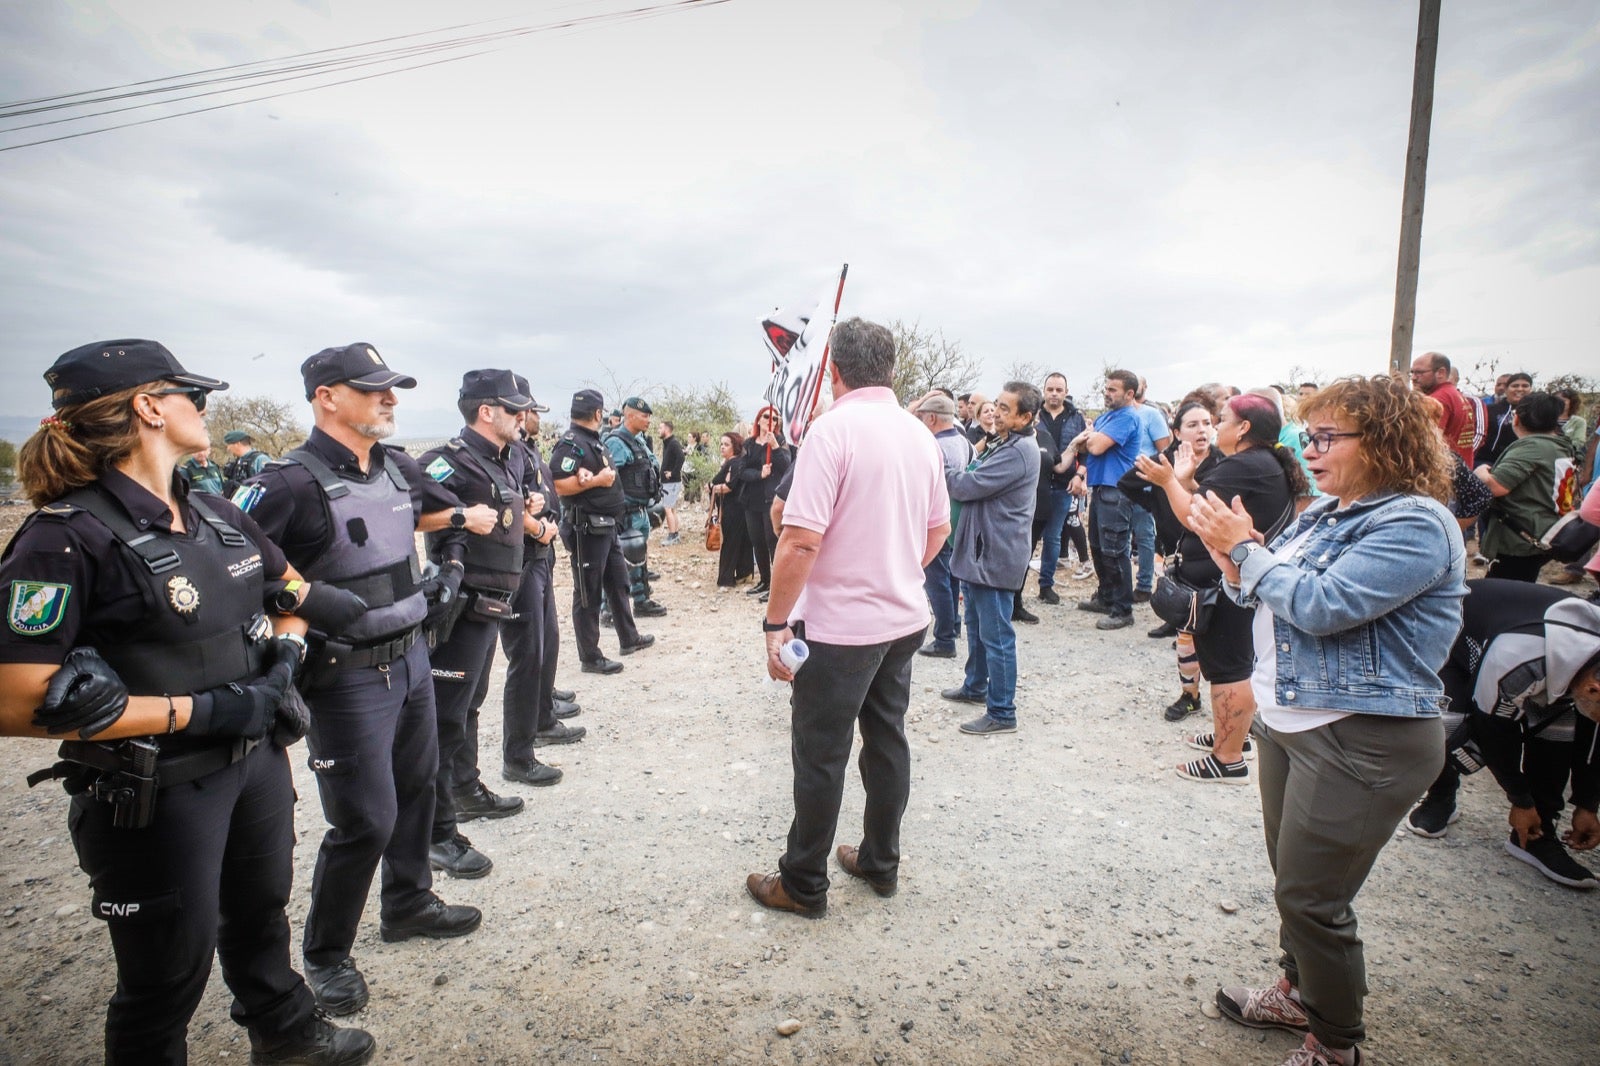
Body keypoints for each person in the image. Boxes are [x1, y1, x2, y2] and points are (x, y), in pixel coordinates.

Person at [0, 339, 374, 1064]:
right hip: (157, 786)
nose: (202, 409)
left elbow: (293, 594)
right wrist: (197, 713)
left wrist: (285, 657)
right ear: (147, 407)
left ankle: (288, 1035)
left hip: (253, 759)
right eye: (188, 395)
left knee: (261, 915)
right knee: (165, 974)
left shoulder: (212, 510)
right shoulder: (63, 539)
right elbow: (14, 701)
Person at [1188, 373, 1466, 1066]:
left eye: (1325, 436)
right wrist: (1232, 560)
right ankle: (1298, 989)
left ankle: (1335, 1043)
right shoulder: (1328, 513)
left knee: (1313, 899)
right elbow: (1271, 594)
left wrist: (1247, 554)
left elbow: (1322, 605)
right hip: (1296, 725)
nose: (1307, 448)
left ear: (1385, 441)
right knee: (1293, 880)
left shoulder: (1414, 521)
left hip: (1362, 737)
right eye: (1307, 434)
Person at [242, 342, 485, 1016]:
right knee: (364, 821)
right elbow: (237, 565)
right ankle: (326, 953)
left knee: (416, 792)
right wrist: (292, 623)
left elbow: (447, 515)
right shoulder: (286, 482)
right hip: (345, 677)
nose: (390, 399)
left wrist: (452, 565)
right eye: (373, 389)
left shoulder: (396, 466)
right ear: (326, 397)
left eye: (393, 389)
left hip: (411, 659)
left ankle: (408, 903)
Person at [745, 317, 950, 918]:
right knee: (886, 740)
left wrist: (775, 623)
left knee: (821, 752)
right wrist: (894, 568)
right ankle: (880, 862)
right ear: (890, 369)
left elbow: (800, 539)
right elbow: (939, 528)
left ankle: (803, 883)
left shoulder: (831, 431)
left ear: (834, 369)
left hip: (840, 628)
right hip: (903, 617)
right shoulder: (919, 434)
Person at [1138, 393, 1304, 780]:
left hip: (1225, 584)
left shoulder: (1246, 464)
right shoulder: (1255, 464)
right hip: (1231, 580)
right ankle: (1234, 737)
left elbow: (1195, 515)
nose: (1216, 425)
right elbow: (1208, 500)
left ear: (1244, 428)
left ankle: (1227, 758)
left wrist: (1167, 481)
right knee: (1232, 665)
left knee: (1229, 670)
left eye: (1223, 418)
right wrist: (1188, 481)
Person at [417, 371, 543, 878]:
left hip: (492, 602)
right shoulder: (446, 461)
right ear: (485, 411)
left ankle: (465, 791)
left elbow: (501, 510)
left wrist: (524, 505)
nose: (522, 418)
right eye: (514, 410)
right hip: (461, 606)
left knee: (468, 707)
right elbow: (406, 510)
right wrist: (459, 518)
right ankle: (435, 833)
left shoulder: (501, 459)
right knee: (443, 721)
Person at [1405, 579, 1600, 888]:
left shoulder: (1591, 674)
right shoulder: (1519, 659)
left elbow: (1591, 739)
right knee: (1447, 724)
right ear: (1594, 688)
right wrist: (1520, 800)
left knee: (1561, 733)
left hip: (1548, 658)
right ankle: (1441, 795)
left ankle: (1539, 834)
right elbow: (1494, 730)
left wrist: (1588, 803)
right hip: (1460, 637)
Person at [941, 382, 1041, 735]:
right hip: (981, 552)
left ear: (1025, 417)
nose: (996, 413)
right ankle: (975, 686)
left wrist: (940, 467)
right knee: (977, 625)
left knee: (996, 634)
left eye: (1005, 409)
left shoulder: (1018, 452)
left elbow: (968, 485)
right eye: (996, 405)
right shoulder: (1007, 443)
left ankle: (1001, 711)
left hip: (994, 554)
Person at [498, 377, 585, 774]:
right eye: (527, 411)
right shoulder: (508, 453)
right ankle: (520, 753)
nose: (530, 418)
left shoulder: (526, 450)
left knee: (546, 640)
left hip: (540, 555)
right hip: (523, 559)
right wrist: (536, 526)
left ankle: (543, 713)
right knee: (527, 654)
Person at [550, 389, 656, 674]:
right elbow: (559, 484)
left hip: (607, 527)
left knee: (618, 583)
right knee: (588, 593)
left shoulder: (593, 442)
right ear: (598, 414)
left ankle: (628, 637)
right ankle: (590, 656)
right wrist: (596, 480)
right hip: (587, 529)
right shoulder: (571, 444)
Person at [1475, 391, 1578, 582]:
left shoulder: (1531, 447)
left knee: (1505, 592)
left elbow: (1496, 487)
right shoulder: (1557, 445)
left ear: (1517, 418)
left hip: (1521, 537)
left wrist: (1481, 472)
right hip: (1543, 527)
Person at [1072, 370, 1144, 629]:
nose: (1107, 393)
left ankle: (1123, 609)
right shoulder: (1106, 418)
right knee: (1098, 546)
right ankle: (1106, 596)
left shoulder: (1127, 418)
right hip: (1100, 486)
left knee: (1115, 550)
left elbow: (1094, 446)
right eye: (1107, 388)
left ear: (1129, 394)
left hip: (1118, 489)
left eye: (1113, 389)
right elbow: (1082, 445)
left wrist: (1089, 437)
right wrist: (1089, 438)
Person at [912, 392, 973, 657]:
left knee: (936, 580)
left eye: (923, 418)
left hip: (934, 520)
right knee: (951, 576)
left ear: (933, 418)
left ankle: (944, 639)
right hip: (955, 519)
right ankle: (954, 625)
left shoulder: (933, 447)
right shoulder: (964, 442)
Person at [601, 397, 667, 617]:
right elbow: (610, 479)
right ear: (629, 415)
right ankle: (607, 608)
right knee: (618, 563)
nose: (648, 420)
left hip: (640, 513)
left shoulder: (638, 441)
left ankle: (641, 601)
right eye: (644, 416)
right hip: (624, 514)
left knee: (639, 559)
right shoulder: (616, 442)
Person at [1034, 372, 1087, 605]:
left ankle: (1046, 585)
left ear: (1066, 391)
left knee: (1053, 537)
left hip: (1064, 484)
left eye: (1059, 390)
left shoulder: (1076, 418)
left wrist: (1080, 476)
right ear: (1044, 390)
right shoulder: (1034, 415)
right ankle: (1015, 588)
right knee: (1029, 538)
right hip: (1036, 485)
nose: (1054, 393)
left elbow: (1085, 454)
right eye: (1050, 389)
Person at [738, 406, 791, 599]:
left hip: (771, 499)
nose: (771, 420)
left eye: (775, 418)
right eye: (767, 416)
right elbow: (741, 470)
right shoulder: (749, 444)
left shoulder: (781, 442)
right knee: (757, 540)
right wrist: (759, 474)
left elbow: (787, 466)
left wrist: (775, 447)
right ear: (759, 419)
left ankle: (777, 586)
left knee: (772, 541)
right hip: (752, 499)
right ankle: (764, 581)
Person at [1408, 351, 1475, 465]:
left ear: (1441, 373)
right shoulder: (1455, 395)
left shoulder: (1437, 399)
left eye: (1419, 373)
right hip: (1461, 468)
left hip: (1444, 470)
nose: (1413, 378)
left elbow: (1427, 442)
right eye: (1412, 373)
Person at [710, 431, 754, 588]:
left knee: (730, 543)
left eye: (726, 444)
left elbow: (728, 487)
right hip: (741, 508)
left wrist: (712, 487)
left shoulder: (732, 464)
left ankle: (726, 578)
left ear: (735, 446)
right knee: (742, 541)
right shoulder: (738, 462)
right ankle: (745, 573)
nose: (722, 447)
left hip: (733, 509)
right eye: (721, 444)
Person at [659, 419, 685, 546]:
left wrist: (673, 473)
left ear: (667, 429)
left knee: (667, 508)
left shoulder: (673, 443)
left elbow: (681, 457)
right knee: (672, 508)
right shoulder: (667, 443)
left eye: (660, 428)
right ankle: (675, 534)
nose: (659, 430)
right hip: (668, 482)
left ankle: (672, 535)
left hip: (672, 482)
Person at [222, 429, 271, 495]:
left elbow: (270, 485)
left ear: (237, 444)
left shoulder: (260, 459)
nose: (228, 448)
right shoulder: (237, 462)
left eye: (229, 445)